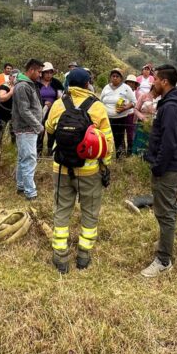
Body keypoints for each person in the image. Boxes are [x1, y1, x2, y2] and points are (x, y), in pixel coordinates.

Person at [45, 67, 113, 273]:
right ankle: (83, 255)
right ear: (87, 84)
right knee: (90, 212)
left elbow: (49, 128)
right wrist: (105, 165)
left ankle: (60, 256)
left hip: (61, 168)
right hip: (89, 170)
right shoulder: (97, 107)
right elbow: (107, 142)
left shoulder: (59, 104)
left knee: (61, 210)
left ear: (68, 84)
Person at [139, 64, 177, 278]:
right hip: (172, 164)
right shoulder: (173, 102)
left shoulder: (171, 108)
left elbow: (168, 142)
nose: (152, 83)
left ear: (164, 82)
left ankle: (164, 259)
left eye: (155, 79)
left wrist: (158, 167)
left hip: (168, 167)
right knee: (167, 207)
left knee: (165, 211)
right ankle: (165, 241)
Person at [12, 58, 44, 201]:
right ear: (31, 70)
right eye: (39, 72)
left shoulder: (28, 84)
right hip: (26, 128)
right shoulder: (23, 86)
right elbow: (24, 110)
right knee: (29, 159)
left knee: (23, 158)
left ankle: (21, 186)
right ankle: (30, 192)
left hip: (28, 128)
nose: (40, 75)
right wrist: (38, 126)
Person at [99, 67, 135, 159]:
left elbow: (134, 102)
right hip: (106, 118)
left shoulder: (126, 88)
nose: (115, 78)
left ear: (121, 78)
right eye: (113, 76)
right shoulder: (106, 88)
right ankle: (105, 156)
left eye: (117, 76)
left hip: (120, 118)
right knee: (106, 137)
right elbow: (100, 101)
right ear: (110, 77)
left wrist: (125, 108)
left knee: (119, 138)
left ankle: (120, 158)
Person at [37, 62, 64, 156]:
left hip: (53, 112)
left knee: (52, 132)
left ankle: (50, 152)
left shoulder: (56, 83)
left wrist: (54, 104)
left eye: (50, 72)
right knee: (40, 131)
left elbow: (60, 97)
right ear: (42, 73)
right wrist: (43, 102)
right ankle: (38, 152)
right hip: (39, 111)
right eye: (46, 72)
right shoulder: (36, 83)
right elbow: (33, 97)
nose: (48, 75)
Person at [0, 69, 16, 146]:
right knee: (1, 128)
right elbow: (2, 98)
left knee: (13, 130)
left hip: (13, 112)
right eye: (14, 76)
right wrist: (11, 92)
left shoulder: (19, 86)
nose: (15, 78)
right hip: (2, 111)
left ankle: (13, 146)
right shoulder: (4, 86)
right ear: (10, 77)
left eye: (17, 77)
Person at [123, 74, 140, 154]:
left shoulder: (135, 93)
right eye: (129, 82)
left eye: (132, 82)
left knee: (130, 134)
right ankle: (122, 151)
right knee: (121, 134)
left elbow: (136, 104)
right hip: (122, 115)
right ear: (126, 83)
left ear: (135, 84)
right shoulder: (122, 91)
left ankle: (129, 152)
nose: (130, 84)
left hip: (130, 115)